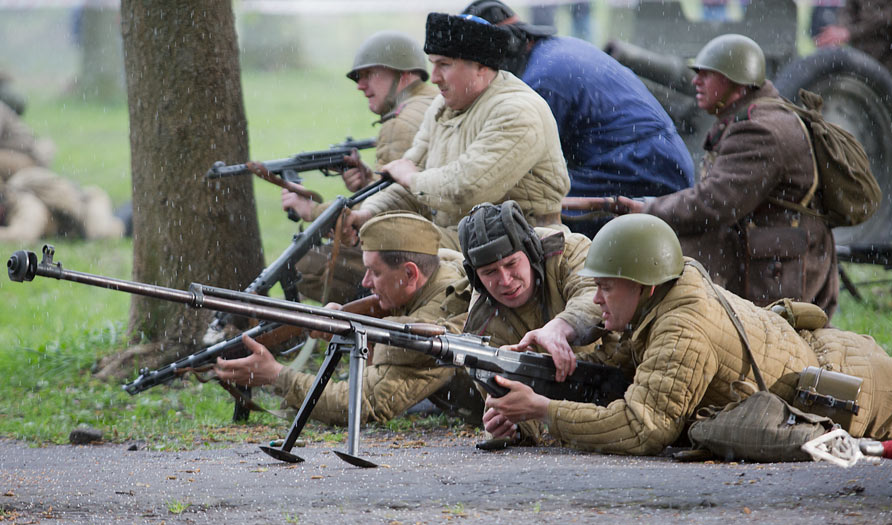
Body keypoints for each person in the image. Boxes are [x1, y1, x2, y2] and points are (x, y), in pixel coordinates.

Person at [483, 213, 892, 456]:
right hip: (843, 366)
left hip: (862, 394)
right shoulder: (663, 299)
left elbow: (642, 426)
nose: (596, 299)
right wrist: (525, 407)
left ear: (644, 286)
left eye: (606, 287)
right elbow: (614, 376)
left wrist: (542, 410)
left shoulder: (682, 326)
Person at [568, 34, 838, 316]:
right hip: (776, 256)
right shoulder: (753, 116)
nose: (696, 81)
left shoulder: (759, 130)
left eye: (707, 75)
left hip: (780, 267)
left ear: (737, 81)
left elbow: (716, 201)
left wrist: (649, 210)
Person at [311, 13, 570, 251]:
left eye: (444, 65)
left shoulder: (517, 111)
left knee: (393, 249)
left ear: (480, 66)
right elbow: (407, 178)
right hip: (467, 239)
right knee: (375, 239)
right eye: (432, 64)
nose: (433, 77)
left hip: (521, 246)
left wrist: (412, 179)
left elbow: (465, 190)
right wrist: (366, 216)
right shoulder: (443, 105)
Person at [213, 211, 482, 427]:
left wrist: (276, 375)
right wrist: (349, 322)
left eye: (374, 272)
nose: (366, 282)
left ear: (410, 274)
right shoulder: (440, 268)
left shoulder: (438, 315)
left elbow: (359, 405)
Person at [461, 0, 694, 241]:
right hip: (654, 163)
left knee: (525, 204)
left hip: (642, 170)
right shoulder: (553, 51)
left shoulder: (542, 82)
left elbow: (512, 166)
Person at [282, 31, 438, 304]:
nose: (360, 85)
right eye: (358, 77)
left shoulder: (400, 123)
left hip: (423, 249)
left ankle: (371, 319)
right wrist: (369, 181)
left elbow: (392, 217)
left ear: (403, 75)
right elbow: (412, 190)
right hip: (438, 235)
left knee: (304, 266)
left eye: (369, 75)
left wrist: (312, 210)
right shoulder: (432, 104)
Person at [457, 200, 602, 442]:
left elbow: (595, 295)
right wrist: (509, 428)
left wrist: (560, 327)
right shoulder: (480, 326)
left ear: (531, 251)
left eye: (511, 263)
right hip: (565, 417)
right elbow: (508, 405)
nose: (504, 280)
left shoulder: (569, 251)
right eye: (490, 272)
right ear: (475, 277)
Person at [0, 95, 123, 242]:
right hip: (70, 213)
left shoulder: (20, 197)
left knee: (102, 234)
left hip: (89, 203)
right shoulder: (13, 197)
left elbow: (22, 235)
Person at [814, 0, 892, 73]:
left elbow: (886, 17)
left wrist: (849, 32)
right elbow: (847, 9)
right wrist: (842, 28)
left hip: (886, 52)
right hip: (861, 50)